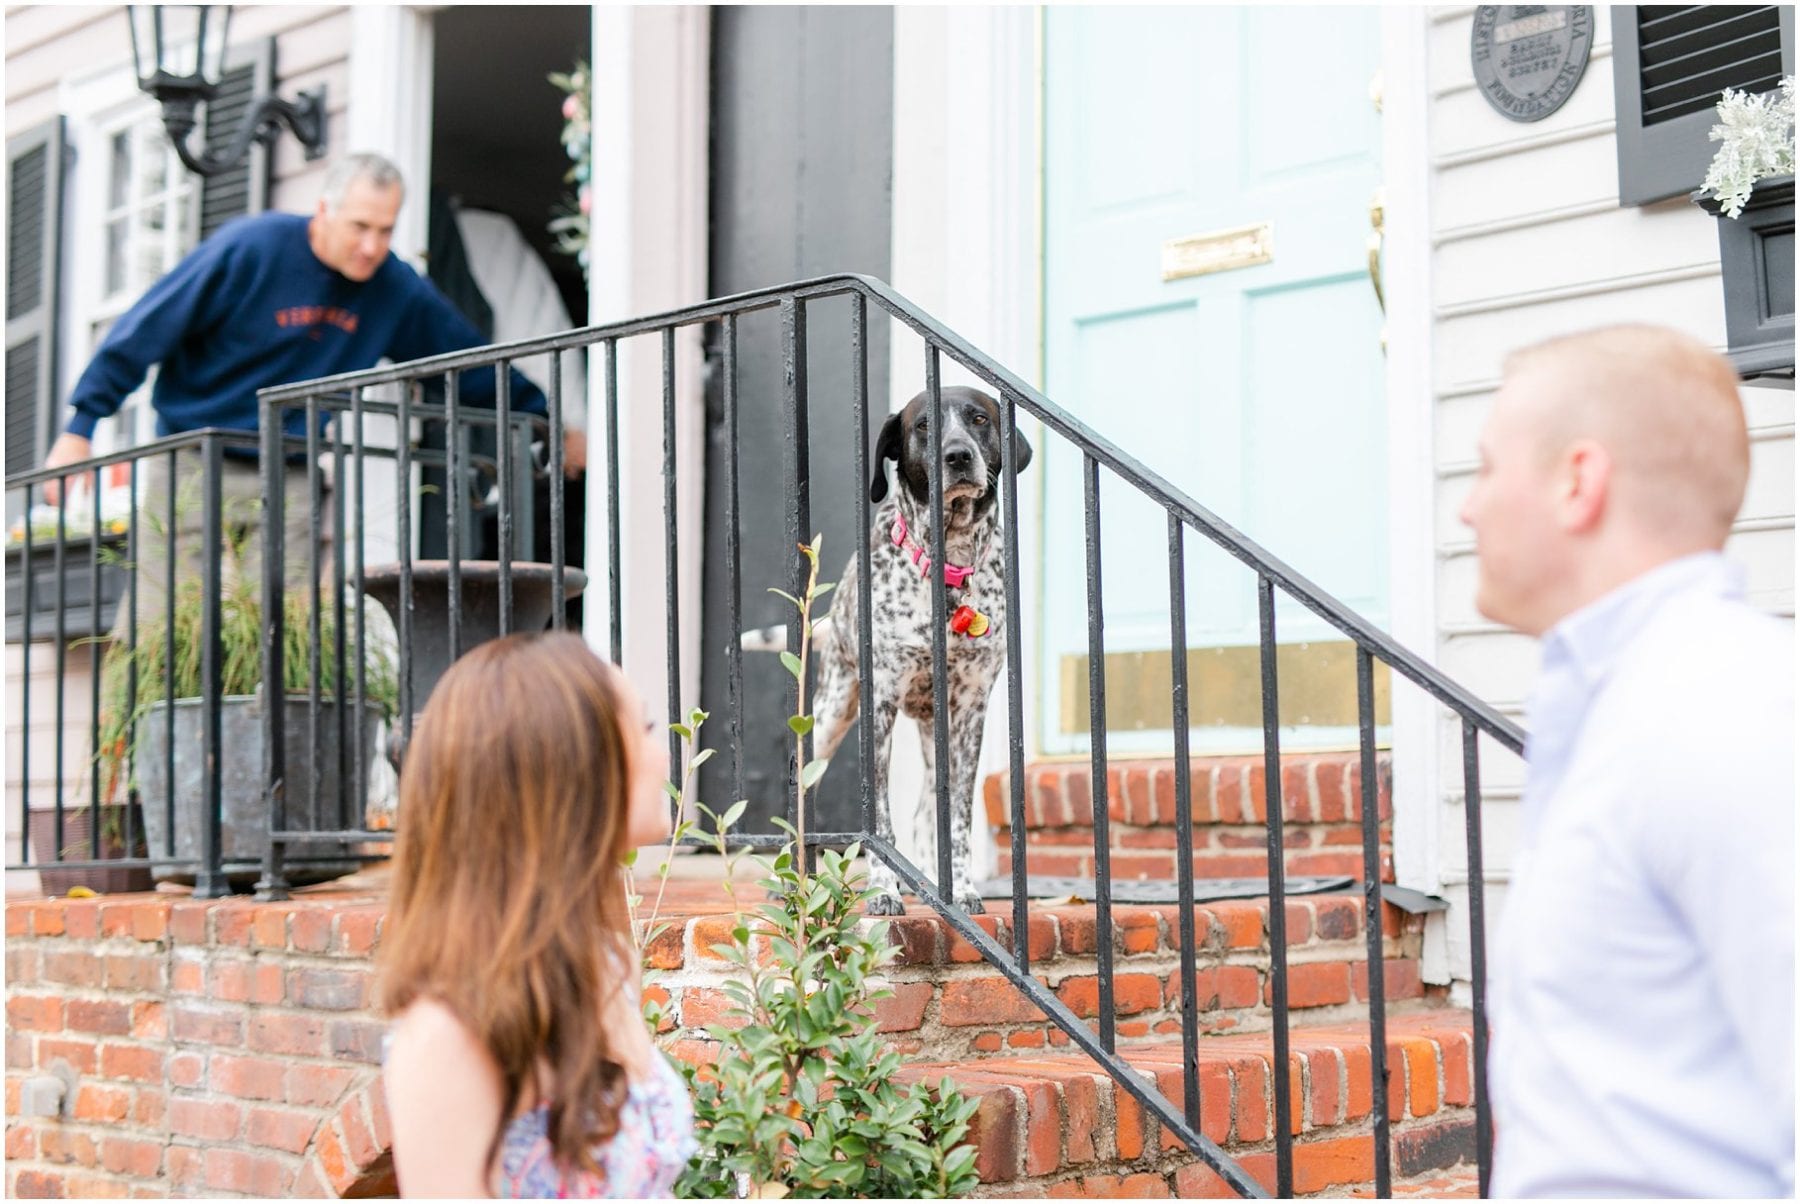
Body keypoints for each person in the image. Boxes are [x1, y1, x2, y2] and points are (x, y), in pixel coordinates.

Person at [1460, 324, 1794, 1197]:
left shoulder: (1726, 715)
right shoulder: (1621, 708)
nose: (1468, 507)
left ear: (1579, 481)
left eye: (1488, 468)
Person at [40, 151, 558, 605]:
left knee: (286, 629)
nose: (372, 247)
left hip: (290, 469)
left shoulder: (393, 287)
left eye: (385, 230)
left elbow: (466, 361)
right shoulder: (251, 249)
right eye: (360, 227)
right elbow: (147, 329)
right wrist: (80, 427)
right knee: (167, 623)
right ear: (324, 211)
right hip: (195, 458)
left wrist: (545, 416)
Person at [377, 632, 694, 1197]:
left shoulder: (604, 960)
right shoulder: (447, 1038)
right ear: (574, 770)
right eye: (644, 729)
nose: (666, 751)